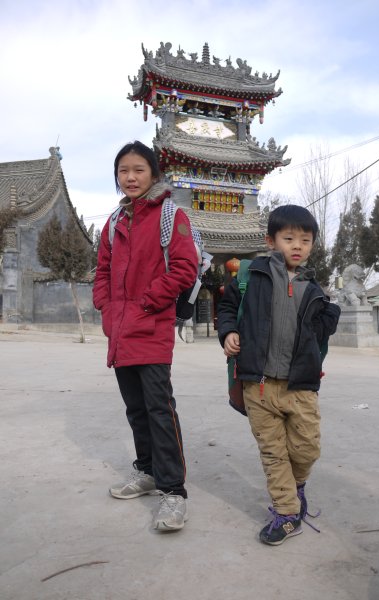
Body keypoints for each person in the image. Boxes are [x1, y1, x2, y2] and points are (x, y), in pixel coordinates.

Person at [217, 205, 341, 546]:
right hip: (257, 384)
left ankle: (297, 487)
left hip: (300, 386)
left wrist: (318, 350)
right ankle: (286, 513)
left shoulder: (315, 290)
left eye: (305, 240)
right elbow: (226, 309)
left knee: (306, 449)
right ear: (271, 241)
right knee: (273, 453)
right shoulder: (250, 276)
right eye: (288, 238)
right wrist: (227, 333)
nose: (297, 246)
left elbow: (319, 336)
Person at [93, 140, 198, 532]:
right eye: (123, 171)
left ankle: (174, 492)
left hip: (150, 328)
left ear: (153, 173)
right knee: (135, 409)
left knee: (159, 410)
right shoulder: (114, 222)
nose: (130, 177)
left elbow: (185, 268)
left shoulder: (171, 215)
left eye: (138, 169)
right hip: (120, 332)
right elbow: (101, 270)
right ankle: (148, 471)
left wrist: (146, 303)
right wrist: (105, 306)